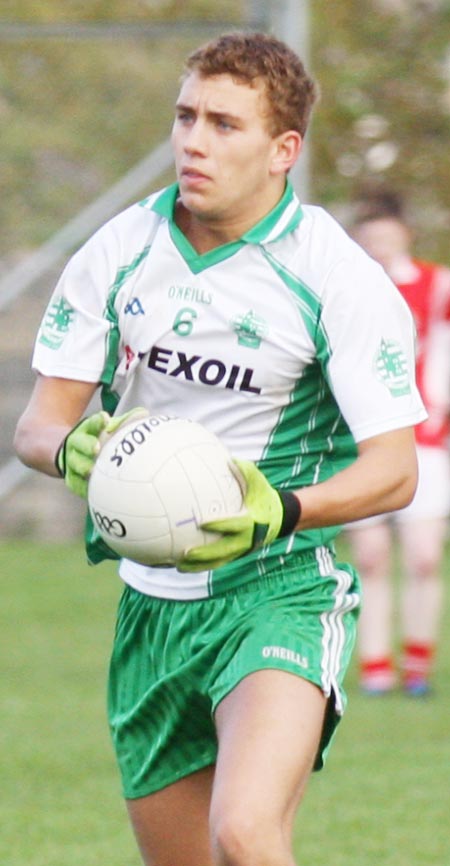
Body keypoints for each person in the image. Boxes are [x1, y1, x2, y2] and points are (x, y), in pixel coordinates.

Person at [14, 32, 426, 866]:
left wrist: (282, 511)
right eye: (186, 116)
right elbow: (37, 425)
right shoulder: (119, 250)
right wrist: (71, 451)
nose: (194, 141)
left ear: (284, 151)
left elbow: (395, 469)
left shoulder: (336, 279)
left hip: (277, 587)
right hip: (149, 606)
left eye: (225, 125)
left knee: (244, 833)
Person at [347, 190, 450, 697]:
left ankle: (417, 664)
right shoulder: (347, 290)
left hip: (425, 440)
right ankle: (375, 667)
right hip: (360, 439)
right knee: (369, 555)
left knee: (424, 555)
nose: (380, 246)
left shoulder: (435, 284)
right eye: (371, 238)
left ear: (404, 234)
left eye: (388, 236)